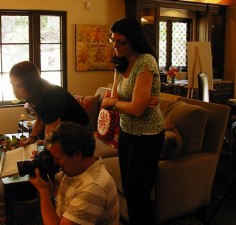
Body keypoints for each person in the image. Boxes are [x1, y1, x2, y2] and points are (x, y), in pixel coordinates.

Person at [101, 17, 165, 225]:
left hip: (147, 136)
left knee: (138, 193)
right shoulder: (120, 64)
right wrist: (122, 102)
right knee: (130, 190)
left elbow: (135, 110)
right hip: (126, 132)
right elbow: (110, 99)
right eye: (114, 41)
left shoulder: (146, 61)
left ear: (134, 40)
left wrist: (117, 103)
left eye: (121, 42)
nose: (116, 46)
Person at [29, 121, 119, 225]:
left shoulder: (92, 188)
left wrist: (43, 191)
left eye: (57, 157)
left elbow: (47, 193)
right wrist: (44, 169)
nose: (55, 162)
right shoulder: (75, 169)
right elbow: (53, 190)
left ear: (77, 155)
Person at [9, 61, 90, 146]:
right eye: (13, 85)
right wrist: (32, 138)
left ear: (30, 84)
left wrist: (46, 143)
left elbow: (51, 133)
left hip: (80, 131)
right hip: (63, 129)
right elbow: (40, 118)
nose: (15, 90)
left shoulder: (50, 96)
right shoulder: (30, 93)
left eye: (19, 86)